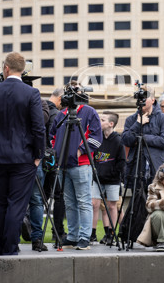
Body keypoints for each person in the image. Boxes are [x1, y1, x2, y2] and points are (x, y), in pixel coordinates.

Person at [0, 52, 45, 256]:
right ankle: (10, 248)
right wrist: (38, 154)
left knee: (2, 203)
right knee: (17, 204)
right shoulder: (31, 93)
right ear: (22, 70)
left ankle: (1, 249)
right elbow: (39, 128)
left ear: (6, 68)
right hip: (24, 158)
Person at [51, 81, 102, 250]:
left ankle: (84, 237)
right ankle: (72, 236)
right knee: (69, 202)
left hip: (82, 164)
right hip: (63, 165)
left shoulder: (89, 112)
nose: (73, 93)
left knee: (84, 202)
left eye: (76, 90)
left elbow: (96, 138)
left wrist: (80, 151)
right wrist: (55, 152)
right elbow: (52, 135)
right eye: (70, 90)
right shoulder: (62, 113)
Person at [26, 88, 65, 251]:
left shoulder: (40, 106)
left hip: (33, 157)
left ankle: (25, 233)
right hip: (39, 159)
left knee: (34, 197)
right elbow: (49, 136)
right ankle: (39, 237)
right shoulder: (51, 111)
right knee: (38, 198)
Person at [122, 85, 164, 184]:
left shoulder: (163, 118)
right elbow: (126, 140)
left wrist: (142, 138)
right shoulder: (131, 119)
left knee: (158, 198)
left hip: (157, 167)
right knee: (136, 198)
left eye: (145, 97)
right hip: (136, 167)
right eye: (140, 97)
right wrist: (138, 124)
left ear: (153, 100)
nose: (141, 100)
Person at [90, 111, 126, 245]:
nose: (99, 122)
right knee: (94, 204)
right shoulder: (97, 138)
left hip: (112, 179)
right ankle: (92, 234)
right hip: (97, 178)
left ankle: (111, 233)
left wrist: (114, 174)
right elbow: (93, 157)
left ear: (111, 124)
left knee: (112, 206)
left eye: (102, 120)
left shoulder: (118, 140)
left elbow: (122, 161)